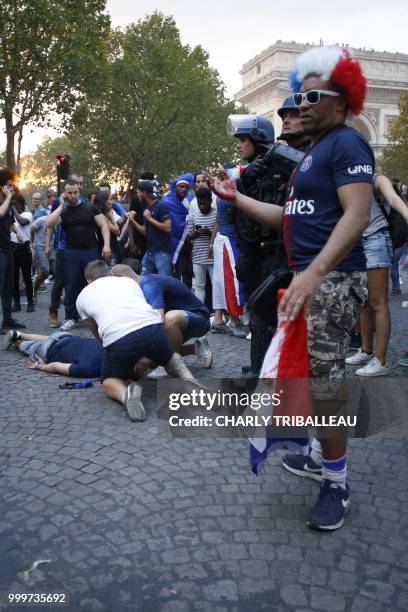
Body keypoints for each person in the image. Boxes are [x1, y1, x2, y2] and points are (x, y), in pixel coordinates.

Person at [211, 46, 373, 531]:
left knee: (326, 386)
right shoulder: (311, 155)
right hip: (309, 278)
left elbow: (357, 215)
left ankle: (337, 483)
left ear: (341, 100)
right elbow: (288, 216)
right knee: (303, 376)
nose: (299, 104)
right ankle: (322, 457)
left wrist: (315, 272)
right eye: (297, 94)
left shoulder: (347, 144)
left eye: (311, 95)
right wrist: (235, 198)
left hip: (333, 279)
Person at [76, 260, 199, 422]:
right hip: (152, 327)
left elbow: (99, 337)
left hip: (119, 338)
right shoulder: (128, 282)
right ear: (109, 272)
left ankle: (126, 394)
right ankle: (189, 380)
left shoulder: (82, 297)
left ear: (88, 280)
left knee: (108, 380)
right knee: (169, 357)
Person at [346, 173, 408, 376]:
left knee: (378, 300)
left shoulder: (375, 178)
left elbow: (392, 198)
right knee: (363, 300)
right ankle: (366, 351)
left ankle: (380, 361)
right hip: (355, 243)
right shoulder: (341, 175)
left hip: (376, 239)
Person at [111, 262, 212, 376]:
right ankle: (196, 348)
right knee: (149, 355)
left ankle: (170, 365)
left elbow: (158, 320)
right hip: (181, 324)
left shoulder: (149, 285)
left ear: (123, 280)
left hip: (200, 319)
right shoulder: (140, 287)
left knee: (170, 318)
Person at [47, 179, 111, 331]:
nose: (73, 195)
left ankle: (99, 317)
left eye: (75, 192)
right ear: (65, 193)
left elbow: (104, 225)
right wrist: (61, 205)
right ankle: (71, 318)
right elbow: (49, 224)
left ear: (79, 191)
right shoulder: (63, 211)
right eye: (69, 193)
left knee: (95, 284)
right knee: (71, 285)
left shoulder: (90, 207)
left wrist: (107, 244)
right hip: (71, 252)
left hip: (90, 250)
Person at [210, 166, 246, 337]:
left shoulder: (221, 192)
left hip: (223, 240)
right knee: (232, 281)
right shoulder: (229, 195)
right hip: (228, 241)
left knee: (221, 281)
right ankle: (233, 320)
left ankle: (218, 318)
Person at [4, 329, 102, 378]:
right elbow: (56, 367)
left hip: (65, 336)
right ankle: (17, 342)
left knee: (49, 338)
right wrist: (41, 366)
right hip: (48, 350)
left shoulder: (110, 345)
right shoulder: (91, 369)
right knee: (31, 347)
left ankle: (19, 334)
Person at [126, 180, 172, 276]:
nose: (137, 194)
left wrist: (150, 219)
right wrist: (132, 220)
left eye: (138, 192)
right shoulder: (147, 209)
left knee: (165, 281)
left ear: (144, 192)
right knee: (144, 279)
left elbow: (168, 227)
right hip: (150, 251)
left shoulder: (161, 206)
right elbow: (145, 231)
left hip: (162, 252)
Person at [0, 169, 26, 333]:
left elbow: (8, 219)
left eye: (12, 184)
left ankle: (8, 320)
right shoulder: (5, 199)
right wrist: (8, 197)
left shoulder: (7, 201)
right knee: (0, 285)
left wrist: (16, 232)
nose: (11, 187)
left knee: (9, 285)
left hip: (7, 247)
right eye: (8, 185)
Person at [186, 187, 217, 304]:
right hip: (198, 257)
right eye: (200, 204)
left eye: (205, 203)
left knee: (216, 286)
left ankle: (217, 313)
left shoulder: (217, 215)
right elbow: (188, 235)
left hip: (214, 258)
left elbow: (222, 235)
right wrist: (195, 234)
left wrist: (210, 233)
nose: (202, 206)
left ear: (210, 200)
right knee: (199, 286)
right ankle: (201, 312)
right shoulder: (193, 216)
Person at [162, 175, 194, 287]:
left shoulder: (191, 201)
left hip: (188, 244)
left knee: (187, 272)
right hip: (170, 243)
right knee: (172, 273)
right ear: (175, 188)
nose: (184, 189)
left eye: (186, 187)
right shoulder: (167, 202)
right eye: (181, 186)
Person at [10, 193, 35, 313]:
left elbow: (21, 222)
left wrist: (12, 209)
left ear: (21, 204)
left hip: (24, 247)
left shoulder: (28, 214)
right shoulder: (9, 215)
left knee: (27, 277)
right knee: (14, 277)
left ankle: (30, 302)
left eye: (16, 204)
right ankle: (16, 302)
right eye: (12, 203)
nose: (14, 206)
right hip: (12, 248)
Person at [94, 191, 124, 266]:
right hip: (108, 250)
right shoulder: (101, 215)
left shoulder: (107, 212)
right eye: (110, 199)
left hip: (112, 248)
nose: (112, 202)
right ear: (103, 201)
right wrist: (112, 219)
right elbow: (116, 231)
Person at [31, 211, 49, 300]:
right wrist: (32, 244)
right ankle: (34, 292)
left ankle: (59, 296)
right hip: (40, 247)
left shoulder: (61, 220)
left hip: (54, 248)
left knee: (58, 273)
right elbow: (31, 230)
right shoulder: (41, 220)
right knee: (45, 272)